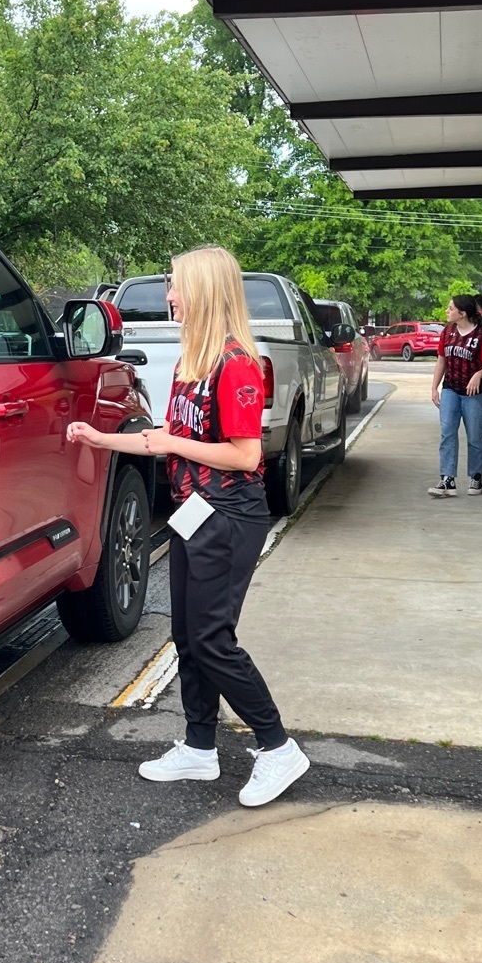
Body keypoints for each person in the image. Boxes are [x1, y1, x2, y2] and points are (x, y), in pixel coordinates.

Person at [66, 246, 309, 807]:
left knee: (211, 638)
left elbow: (247, 456)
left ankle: (277, 748)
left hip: (229, 516)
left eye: (176, 285)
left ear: (203, 291)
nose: (170, 296)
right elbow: (160, 438)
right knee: (186, 637)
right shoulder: (191, 363)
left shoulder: (236, 363)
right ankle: (199, 747)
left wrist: (174, 443)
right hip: (191, 513)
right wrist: (100, 438)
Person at [429, 295, 482, 497]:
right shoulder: (448, 332)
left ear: (462, 313)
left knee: (475, 436)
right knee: (447, 433)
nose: (447, 311)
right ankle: (447, 479)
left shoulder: (481, 335)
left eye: (450, 308)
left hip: (475, 393)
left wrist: (479, 374)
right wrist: (435, 388)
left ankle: (476, 478)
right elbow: (441, 361)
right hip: (451, 388)